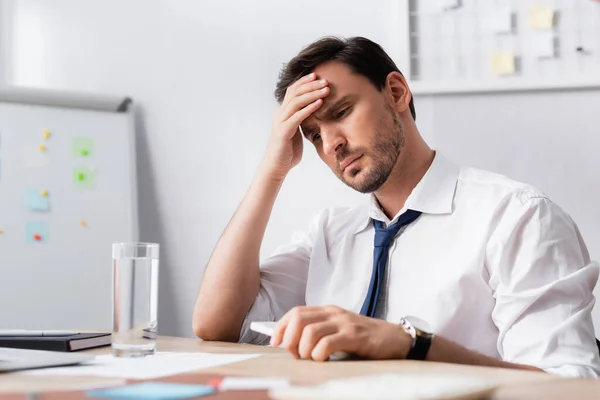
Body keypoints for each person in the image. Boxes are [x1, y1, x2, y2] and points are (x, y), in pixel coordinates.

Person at [192, 36, 600, 377]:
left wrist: (414, 346)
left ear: (397, 92)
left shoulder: (518, 217)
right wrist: (272, 170)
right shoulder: (330, 234)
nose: (331, 144)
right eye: (314, 135)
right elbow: (215, 324)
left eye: (342, 112)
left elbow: (569, 387)